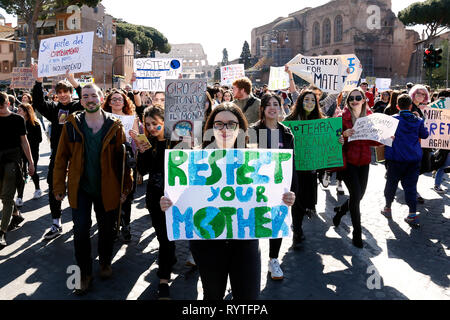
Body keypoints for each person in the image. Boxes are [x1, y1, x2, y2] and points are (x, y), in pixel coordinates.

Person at [160, 102, 296, 300]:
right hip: (207, 244)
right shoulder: (195, 159)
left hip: (245, 243)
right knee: (212, 296)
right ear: (211, 127)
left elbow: (267, 195)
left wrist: (285, 199)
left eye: (231, 124)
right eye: (219, 124)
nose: (224, 129)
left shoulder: (256, 158)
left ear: (240, 128)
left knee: (248, 298)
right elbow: (182, 196)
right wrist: (168, 202)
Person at [52, 83, 132, 295]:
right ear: (81, 100)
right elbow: (60, 158)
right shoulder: (72, 124)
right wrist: (58, 185)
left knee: (107, 231)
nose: (89, 99)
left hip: (108, 187)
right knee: (79, 232)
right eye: (85, 96)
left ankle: (105, 262)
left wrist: (126, 186)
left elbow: (124, 159)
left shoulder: (115, 125)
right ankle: (84, 274)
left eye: (93, 95)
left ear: (101, 97)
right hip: (81, 188)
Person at [130, 105, 177, 299]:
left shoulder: (177, 141)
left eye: (155, 124)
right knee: (163, 237)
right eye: (147, 124)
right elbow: (143, 169)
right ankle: (168, 260)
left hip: (176, 198)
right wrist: (142, 151)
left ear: (164, 121)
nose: (150, 128)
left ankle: (163, 279)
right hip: (154, 198)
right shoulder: (148, 142)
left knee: (168, 239)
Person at [31, 64, 83, 240]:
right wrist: (38, 81)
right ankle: (56, 222)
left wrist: (73, 81)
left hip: (78, 154)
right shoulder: (53, 108)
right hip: (59, 154)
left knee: (79, 187)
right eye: (59, 93)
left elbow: (89, 99)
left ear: (70, 92)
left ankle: (81, 223)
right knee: (54, 185)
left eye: (65, 92)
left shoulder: (79, 105)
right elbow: (38, 102)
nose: (62, 95)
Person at [250, 93, 297, 280]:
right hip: (256, 186)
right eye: (268, 104)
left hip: (279, 187)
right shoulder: (253, 131)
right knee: (252, 222)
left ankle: (273, 259)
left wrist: (293, 189)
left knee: (276, 223)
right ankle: (248, 263)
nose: (272, 107)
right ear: (262, 109)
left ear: (280, 107)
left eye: (275, 104)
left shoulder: (286, 133)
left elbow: (290, 164)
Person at [332, 88, 380, 248]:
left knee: (358, 196)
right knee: (356, 195)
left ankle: (340, 211)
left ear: (364, 99)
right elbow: (334, 141)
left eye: (358, 97)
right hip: (348, 163)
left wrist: (383, 137)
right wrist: (343, 136)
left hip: (364, 163)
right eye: (351, 98)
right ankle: (357, 233)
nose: (354, 100)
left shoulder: (370, 117)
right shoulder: (341, 118)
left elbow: (373, 142)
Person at [285, 90, 328, 248]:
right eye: (306, 99)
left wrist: (338, 140)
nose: (309, 102)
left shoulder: (321, 122)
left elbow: (328, 142)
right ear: (300, 101)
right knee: (297, 201)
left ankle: (298, 226)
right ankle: (297, 232)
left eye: (312, 100)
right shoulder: (289, 121)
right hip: (294, 168)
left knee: (307, 201)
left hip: (311, 168)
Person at [381, 94, 429, 228]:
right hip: (413, 159)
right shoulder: (418, 120)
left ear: (397, 106)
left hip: (395, 158)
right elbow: (424, 135)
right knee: (411, 187)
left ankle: (387, 208)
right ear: (410, 106)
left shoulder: (392, 119)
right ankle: (412, 215)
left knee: (391, 184)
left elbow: (384, 136)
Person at [102, 89, 139, 242]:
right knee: (109, 192)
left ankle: (125, 224)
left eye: (120, 99)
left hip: (125, 159)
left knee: (126, 194)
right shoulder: (103, 118)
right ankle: (111, 223)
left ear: (125, 102)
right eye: (114, 99)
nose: (117, 101)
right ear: (109, 102)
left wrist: (136, 137)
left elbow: (139, 140)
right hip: (107, 159)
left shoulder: (132, 118)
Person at [0, 92, 35, 247]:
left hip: (12, 163)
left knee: (6, 198)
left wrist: (31, 162)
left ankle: (2, 232)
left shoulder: (17, 119)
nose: (1, 108)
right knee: (3, 195)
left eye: (3, 105)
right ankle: (16, 214)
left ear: (8, 103)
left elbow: (24, 142)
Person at [15, 103, 43, 209]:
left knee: (32, 171)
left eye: (20, 110)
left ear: (26, 112)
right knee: (21, 173)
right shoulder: (17, 123)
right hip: (20, 152)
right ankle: (20, 197)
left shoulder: (35, 124)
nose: (18, 112)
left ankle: (37, 189)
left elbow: (39, 139)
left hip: (33, 152)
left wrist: (26, 141)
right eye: (17, 110)